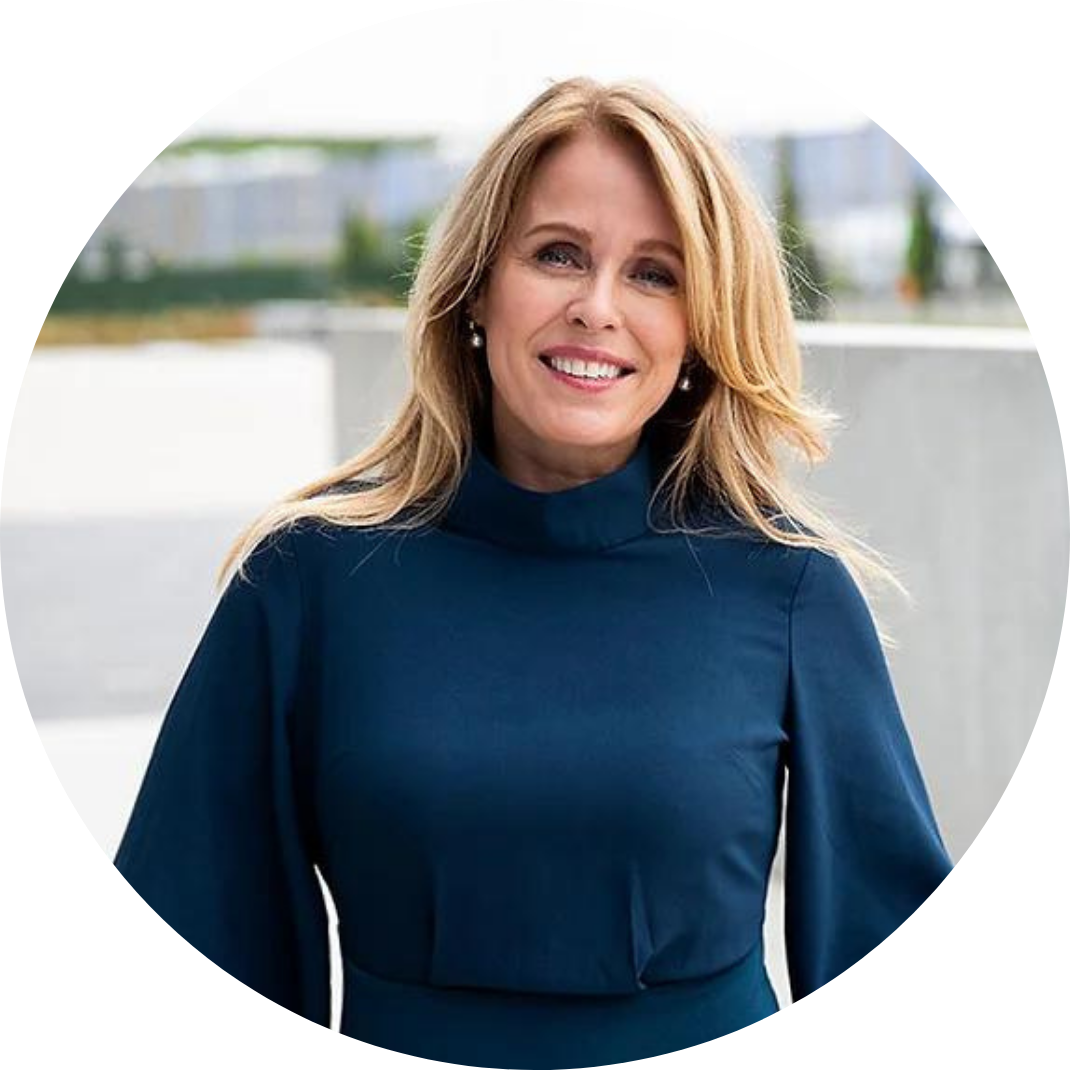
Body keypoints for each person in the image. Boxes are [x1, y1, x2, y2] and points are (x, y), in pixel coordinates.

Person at [114, 77, 953, 1064]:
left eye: (655, 274)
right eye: (557, 254)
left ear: (701, 328)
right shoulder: (306, 578)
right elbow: (201, 914)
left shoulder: (790, 589)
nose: (596, 308)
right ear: (475, 286)